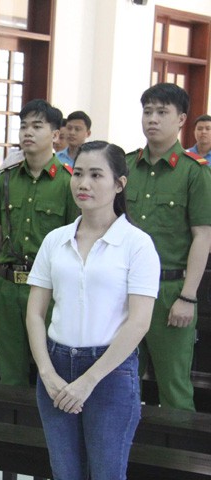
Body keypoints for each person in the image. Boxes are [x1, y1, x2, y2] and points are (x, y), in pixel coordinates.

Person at [27, 141, 160, 479]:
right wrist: (47, 373)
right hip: (55, 368)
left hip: (110, 373)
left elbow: (139, 321)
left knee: (106, 474)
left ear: (119, 184)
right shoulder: (56, 240)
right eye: (78, 173)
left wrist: (88, 381)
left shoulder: (137, 244)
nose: (83, 183)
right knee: (64, 473)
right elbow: (35, 313)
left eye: (96, 175)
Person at [0, 99, 79, 386]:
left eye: (37, 126)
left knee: (51, 368)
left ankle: (43, 431)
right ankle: (8, 431)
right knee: (10, 370)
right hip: (8, 286)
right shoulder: (7, 180)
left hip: (49, 287)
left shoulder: (68, 183)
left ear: (56, 135)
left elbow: (76, 240)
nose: (28, 133)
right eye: (23, 126)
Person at [126, 83, 211, 410]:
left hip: (170, 292)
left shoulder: (194, 173)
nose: (152, 119)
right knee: (121, 380)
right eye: (148, 111)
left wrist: (188, 297)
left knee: (173, 387)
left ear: (181, 120)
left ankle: (177, 459)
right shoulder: (126, 166)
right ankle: (124, 456)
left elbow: (203, 236)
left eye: (162, 112)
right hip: (128, 290)